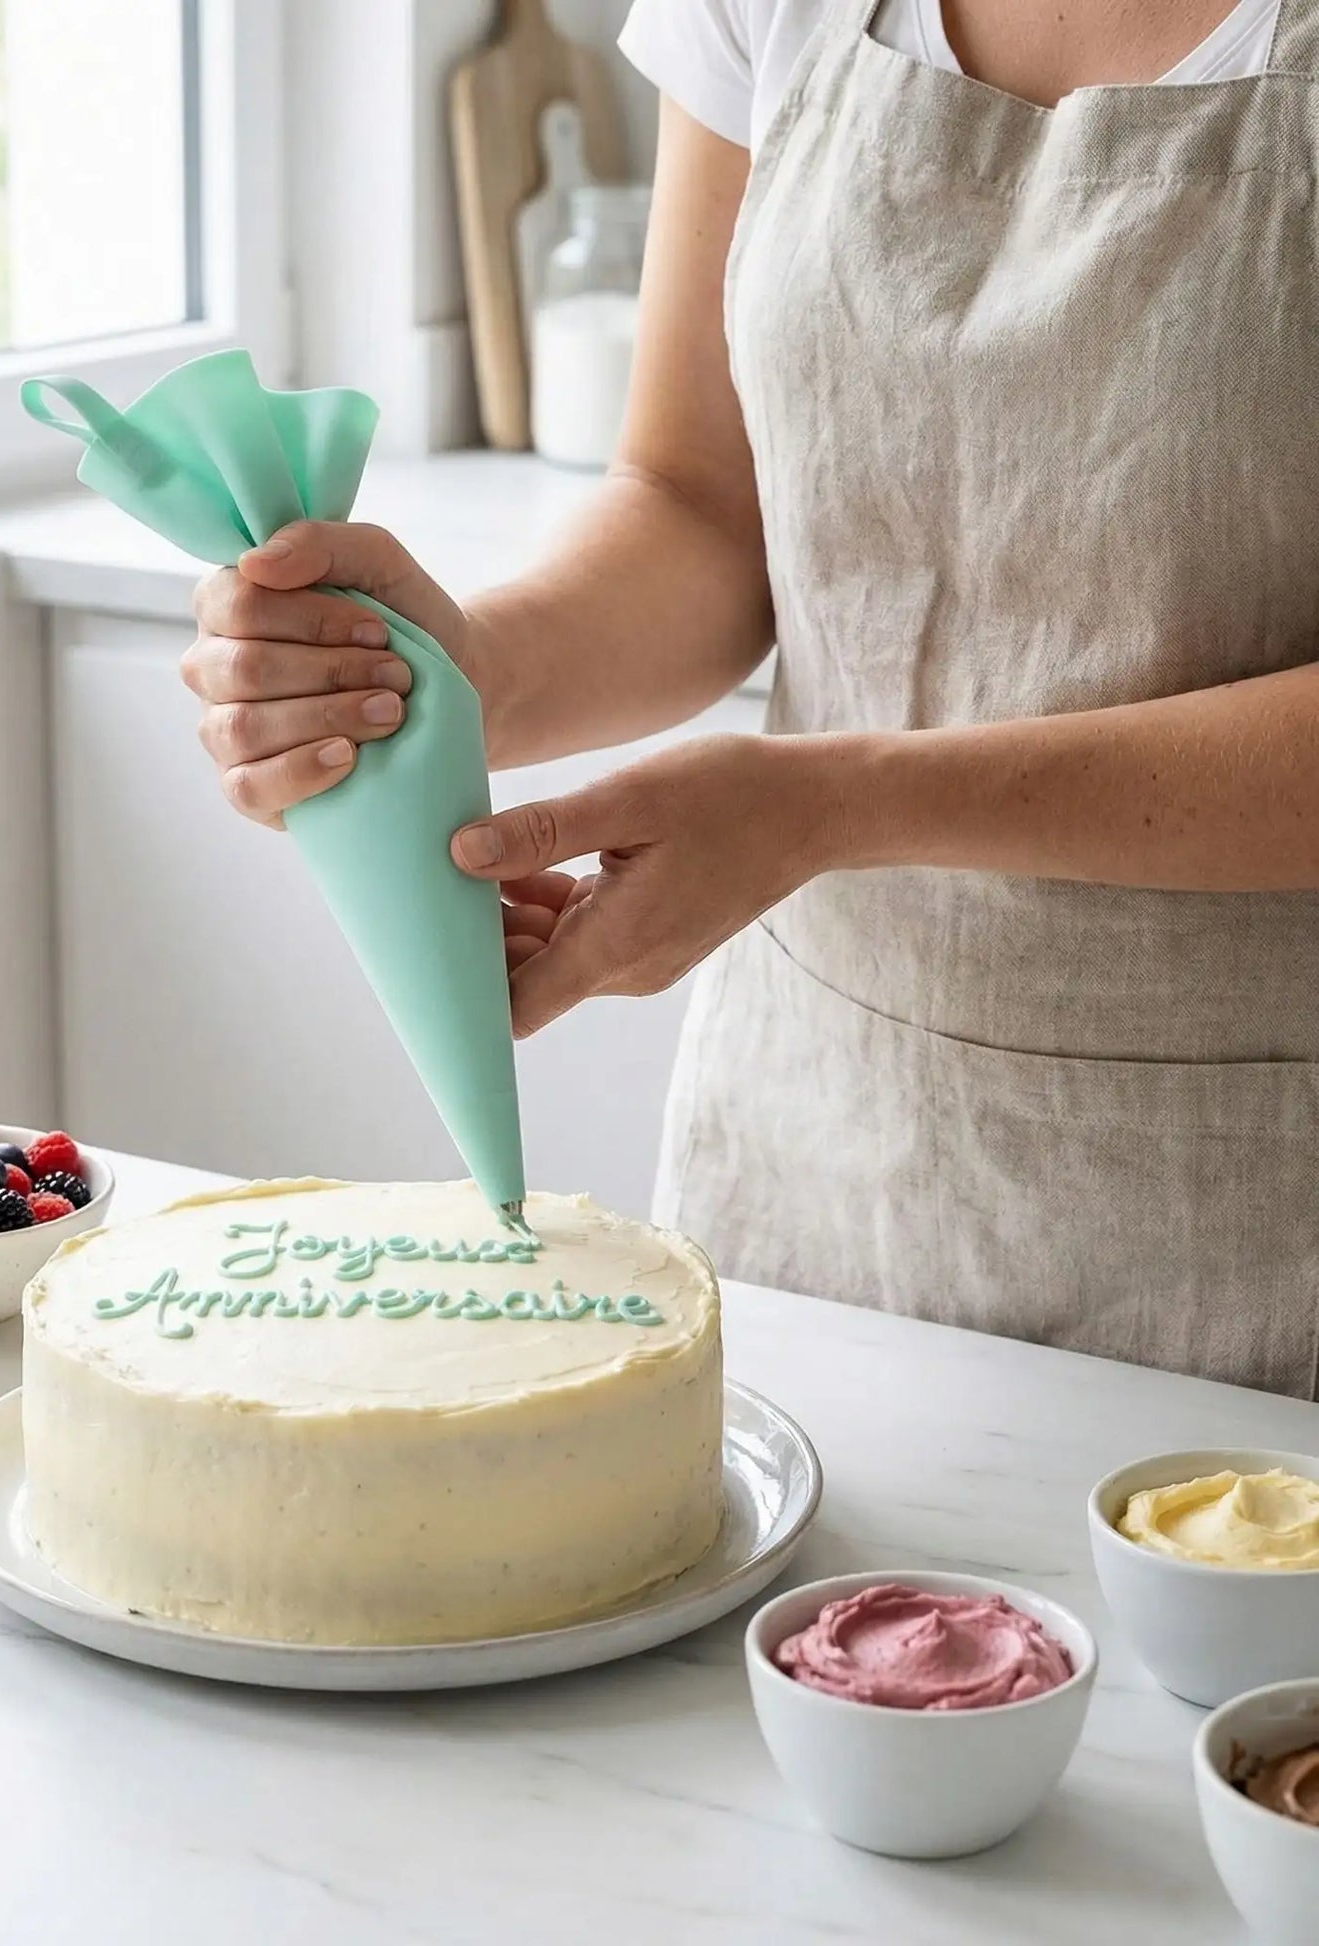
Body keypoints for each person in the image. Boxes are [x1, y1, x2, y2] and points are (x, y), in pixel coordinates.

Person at [181, 0, 1319, 1398]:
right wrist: (449, 675)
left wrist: (831, 806)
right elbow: (700, 505)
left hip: (1267, 1212)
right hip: (820, 1145)